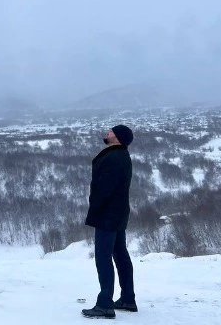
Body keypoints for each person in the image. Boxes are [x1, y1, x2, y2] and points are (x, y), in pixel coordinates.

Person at [81, 125, 137, 319]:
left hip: (108, 214)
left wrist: (95, 206)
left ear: (118, 138)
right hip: (118, 212)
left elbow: (105, 188)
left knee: (103, 257)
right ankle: (127, 299)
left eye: (112, 131)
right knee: (120, 254)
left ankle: (105, 304)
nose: (107, 132)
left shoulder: (113, 157)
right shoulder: (121, 155)